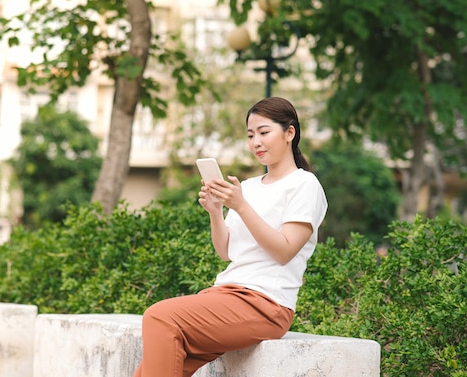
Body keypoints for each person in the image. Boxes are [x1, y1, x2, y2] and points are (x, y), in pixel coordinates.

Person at [132, 96, 328, 377]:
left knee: (159, 316)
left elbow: (285, 251)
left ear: (289, 133)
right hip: (226, 295)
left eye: (264, 132)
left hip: (266, 305)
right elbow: (226, 252)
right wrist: (215, 212)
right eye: (250, 135)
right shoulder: (247, 187)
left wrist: (240, 206)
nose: (256, 142)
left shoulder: (304, 185)